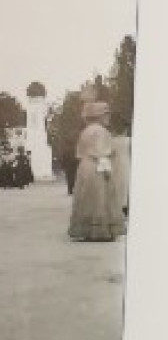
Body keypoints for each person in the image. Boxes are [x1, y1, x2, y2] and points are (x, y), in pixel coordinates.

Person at [68, 101, 126, 242]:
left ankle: (86, 228)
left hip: (84, 166)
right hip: (97, 166)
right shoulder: (101, 131)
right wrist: (107, 171)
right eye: (106, 115)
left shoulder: (86, 131)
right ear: (99, 116)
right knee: (99, 197)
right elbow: (101, 153)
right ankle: (100, 230)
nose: (108, 117)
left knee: (86, 197)